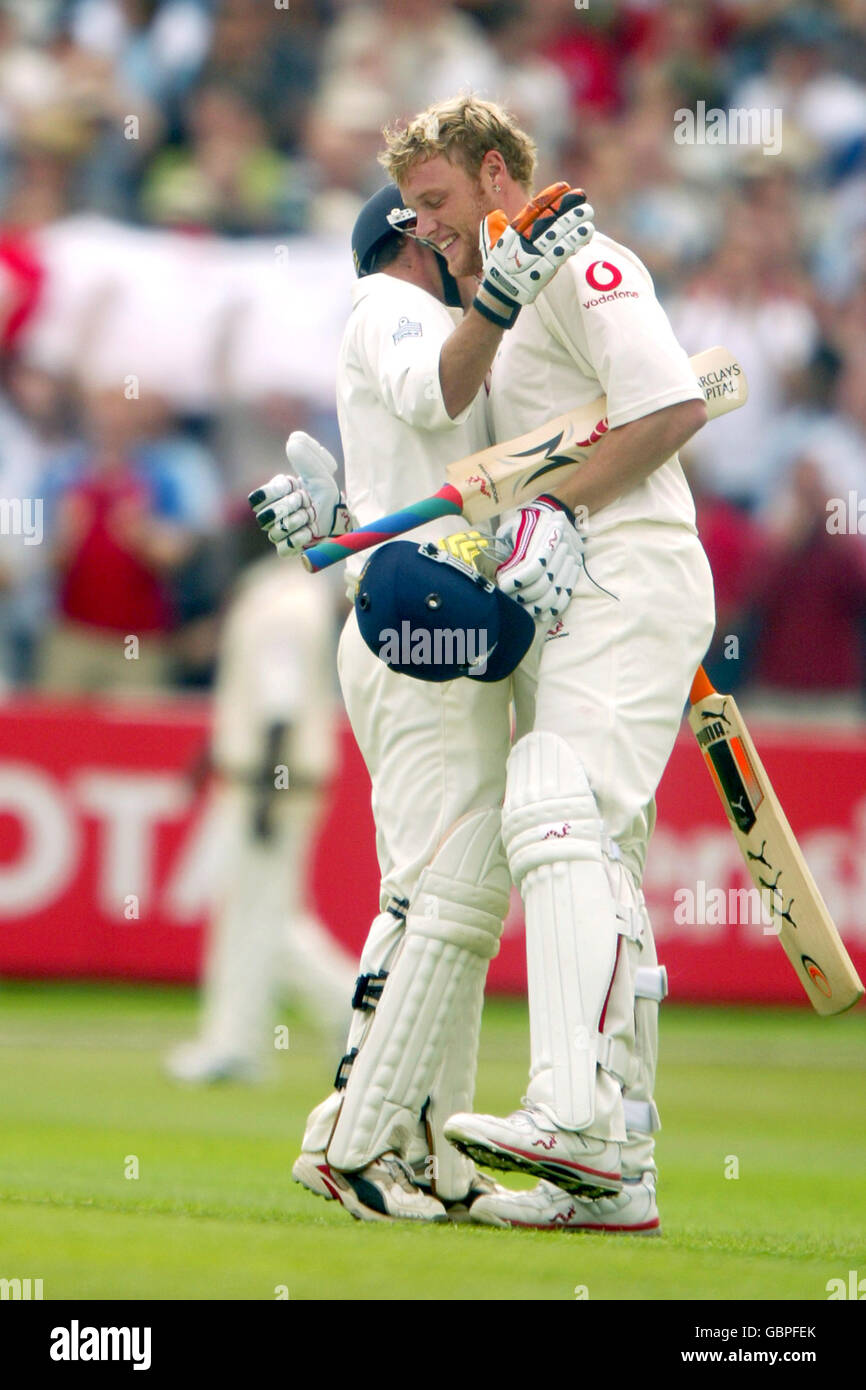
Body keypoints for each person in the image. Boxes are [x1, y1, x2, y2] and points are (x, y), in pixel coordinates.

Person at [379, 94, 715, 1232]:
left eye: (435, 203)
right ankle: (615, 1168)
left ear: (491, 173)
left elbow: (669, 404)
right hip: (571, 580)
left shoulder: (585, 260)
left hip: (630, 561)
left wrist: (560, 509)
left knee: (555, 804)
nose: (422, 227)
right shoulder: (494, 303)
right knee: (593, 850)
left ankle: (567, 1110)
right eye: (412, 213)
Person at [249, 181, 591, 1221]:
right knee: (440, 896)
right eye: (439, 227)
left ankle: (430, 1153)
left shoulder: (424, 316)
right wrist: (495, 305)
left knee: (451, 899)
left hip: (421, 615)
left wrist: (347, 508)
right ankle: (350, 1143)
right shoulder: (394, 304)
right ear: (408, 240)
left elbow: (437, 459)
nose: (461, 242)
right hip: (417, 626)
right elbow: (433, 395)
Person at [166, 551, 357, 1084]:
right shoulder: (288, 598)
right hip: (269, 777)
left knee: (257, 914)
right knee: (262, 912)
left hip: (271, 782)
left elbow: (281, 705)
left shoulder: (281, 606)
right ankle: (256, 1035)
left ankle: (243, 1041)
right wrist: (213, 754)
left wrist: (268, 798)